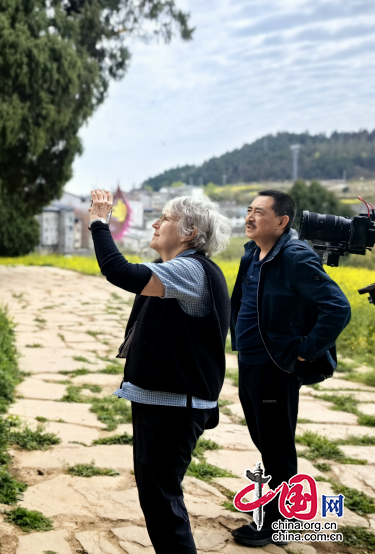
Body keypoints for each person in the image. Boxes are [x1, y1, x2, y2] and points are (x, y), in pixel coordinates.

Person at [89, 189, 232, 554]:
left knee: (163, 503)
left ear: (188, 232)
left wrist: (100, 222)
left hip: (174, 407)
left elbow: (118, 271)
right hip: (167, 403)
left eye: (164, 218)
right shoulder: (181, 271)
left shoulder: (191, 269)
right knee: (158, 499)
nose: (155, 223)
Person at [229, 190, 351, 547]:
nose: (250, 217)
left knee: (276, 443)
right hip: (251, 361)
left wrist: (304, 351)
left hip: (276, 366)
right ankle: (280, 505)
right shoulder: (253, 254)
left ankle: (276, 523)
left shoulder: (295, 257)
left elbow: (337, 308)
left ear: (282, 222)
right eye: (249, 210)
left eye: (260, 212)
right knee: (263, 438)